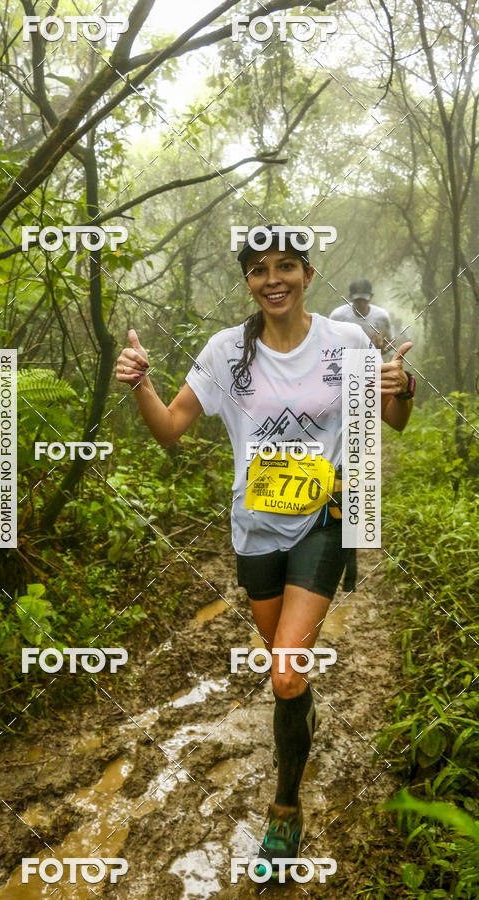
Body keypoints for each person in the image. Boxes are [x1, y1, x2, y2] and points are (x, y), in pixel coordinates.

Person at [116, 226, 414, 883]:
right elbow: (169, 427)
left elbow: (391, 422)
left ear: (309, 273)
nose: (272, 278)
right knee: (289, 670)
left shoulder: (347, 342)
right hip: (255, 530)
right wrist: (140, 382)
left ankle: (284, 809)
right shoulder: (228, 352)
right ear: (248, 281)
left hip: (325, 520)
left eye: (285, 266)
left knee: (283, 669)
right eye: (258, 270)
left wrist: (401, 385)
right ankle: (299, 703)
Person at [330, 278, 393, 351]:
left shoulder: (382, 316)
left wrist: (381, 348)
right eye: (358, 300)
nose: (361, 304)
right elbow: (327, 340)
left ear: (371, 296)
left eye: (364, 299)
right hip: (344, 360)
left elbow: (391, 341)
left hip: (371, 360)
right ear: (350, 297)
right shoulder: (338, 316)